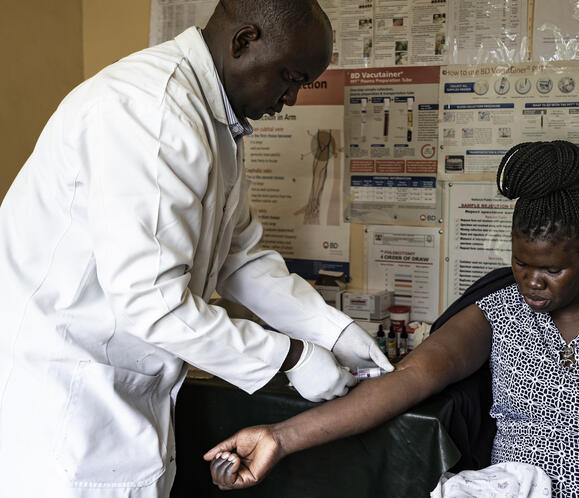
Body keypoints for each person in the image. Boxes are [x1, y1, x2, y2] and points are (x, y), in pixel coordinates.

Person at [203, 141, 579, 497]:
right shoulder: (496, 309)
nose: (532, 283)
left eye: (554, 270)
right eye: (521, 264)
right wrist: (281, 434)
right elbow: (407, 382)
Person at [0, 1, 391, 496]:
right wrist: (290, 358)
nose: (290, 98)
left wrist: (333, 332)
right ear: (244, 41)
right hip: (67, 402)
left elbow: (240, 257)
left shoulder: (211, 118)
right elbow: (152, 303)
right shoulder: (151, 113)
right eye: (289, 78)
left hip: (123, 395)